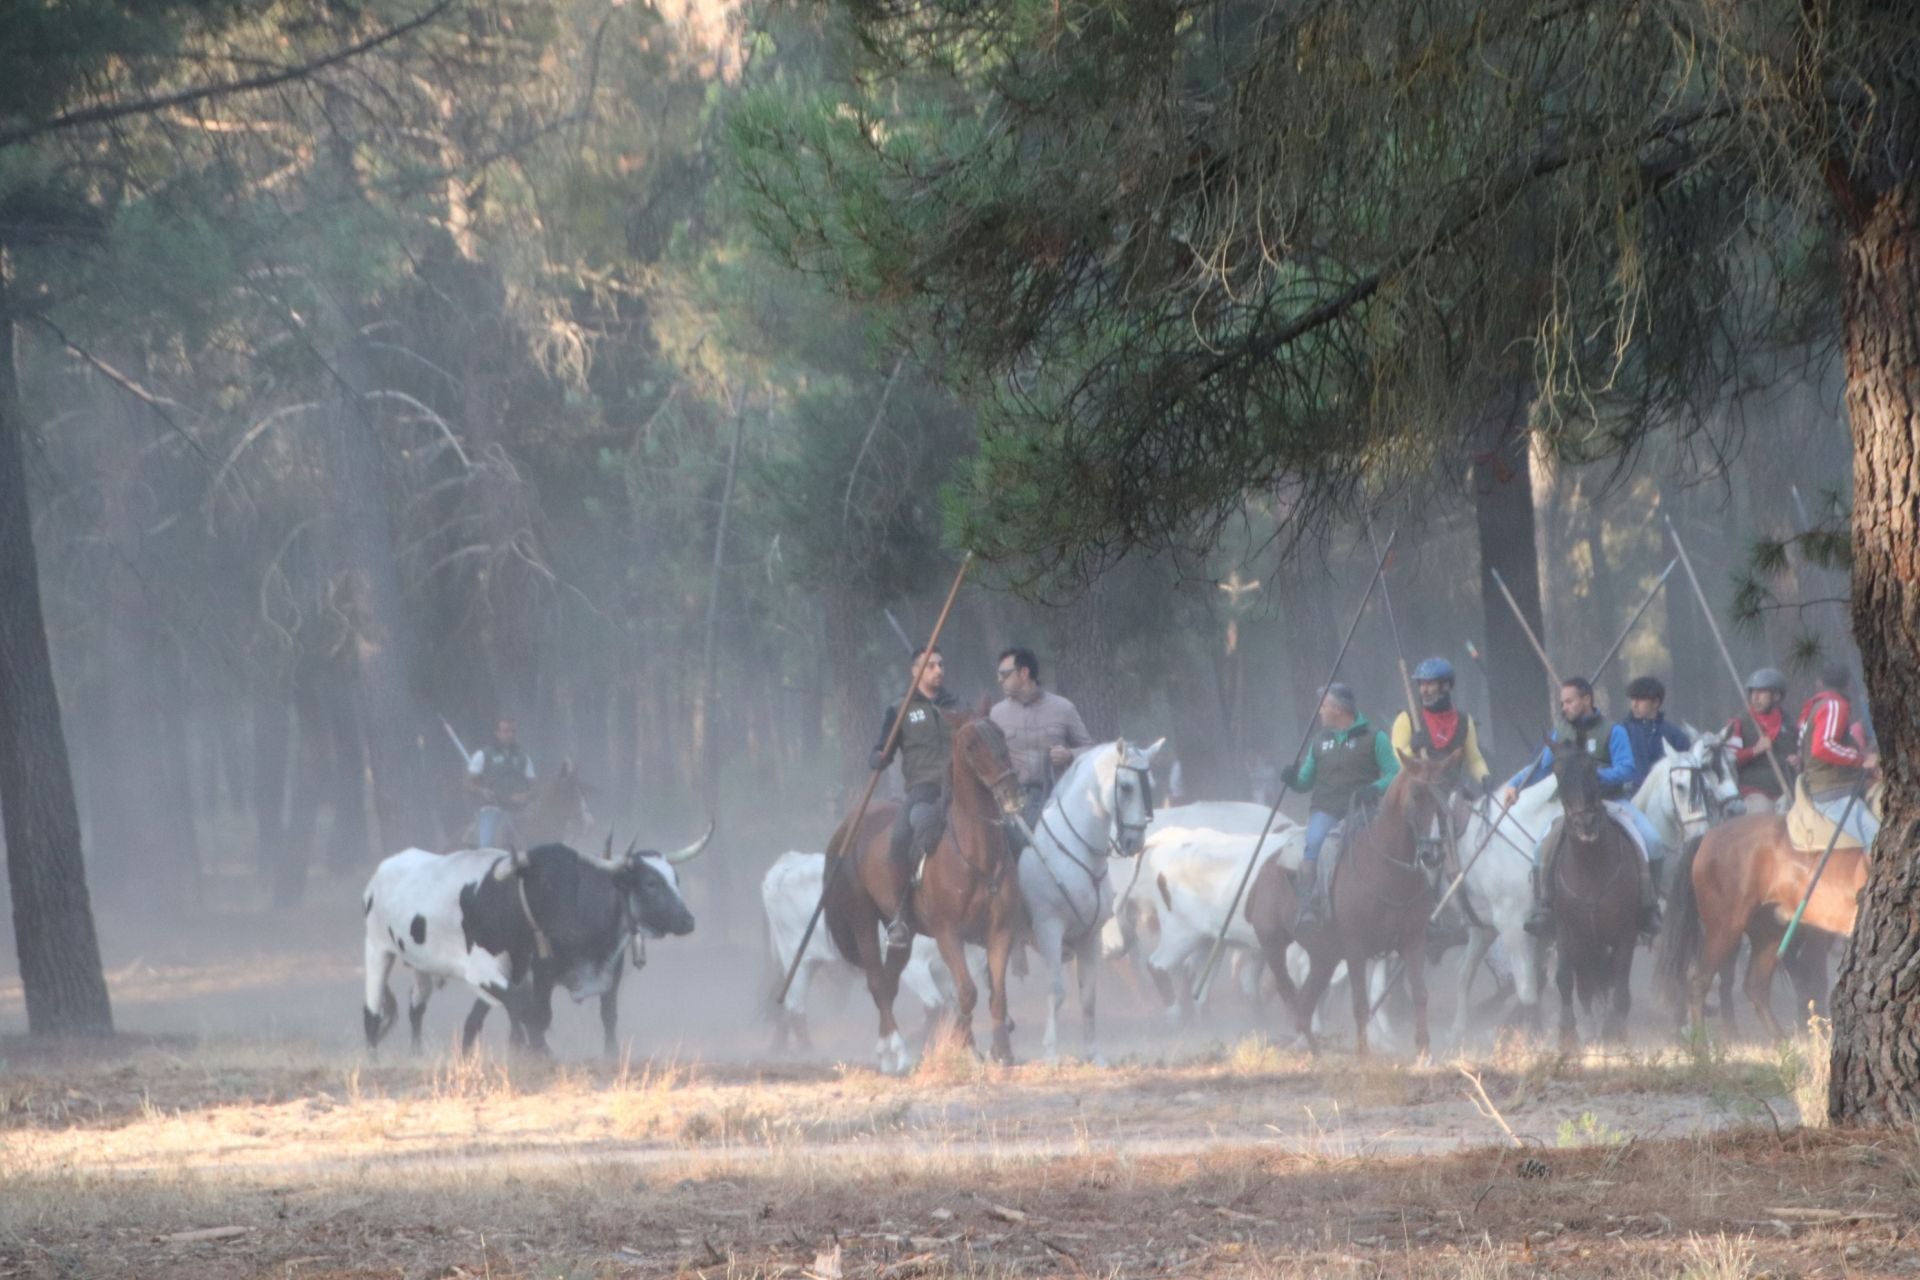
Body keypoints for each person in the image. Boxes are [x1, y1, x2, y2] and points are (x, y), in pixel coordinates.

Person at [1503, 677, 1663, 937]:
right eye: (1562, 702)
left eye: (1569, 701)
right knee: (1539, 849)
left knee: (1653, 841)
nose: (1564, 707)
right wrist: (1514, 784)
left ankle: (1648, 908)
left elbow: (1627, 768)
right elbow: (1540, 767)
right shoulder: (1560, 732)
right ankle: (1544, 908)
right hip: (1573, 809)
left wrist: (1594, 776)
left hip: (1610, 801)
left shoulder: (1613, 731)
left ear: (1586, 699)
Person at [1284, 683, 1398, 926]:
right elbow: (1305, 782)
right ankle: (1308, 904)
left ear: (1338, 709)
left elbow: (1394, 774)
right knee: (1313, 843)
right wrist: (1292, 779)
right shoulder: (1319, 741)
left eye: (1323, 706)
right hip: (1325, 809)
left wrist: (1374, 788)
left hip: (1362, 810)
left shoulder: (1374, 737)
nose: (1320, 711)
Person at [873, 645, 958, 950]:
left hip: (961, 788)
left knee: (1006, 829)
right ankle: (901, 915)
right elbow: (881, 749)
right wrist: (878, 758)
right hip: (924, 788)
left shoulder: (956, 705)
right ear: (916, 672)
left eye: (941, 664)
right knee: (899, 840)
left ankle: (1017, 912)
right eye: (931, 665)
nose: (939, 670)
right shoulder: (900, 709)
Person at [989, 647, 1095, 840]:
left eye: (1004, 674)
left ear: (1024, 673)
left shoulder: (1063, 708)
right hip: (1012, 801)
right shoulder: (996, 714)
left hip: (1056, 799)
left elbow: (1090, 750)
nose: (999, 680)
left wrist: (1069, 754)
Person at [1796, 662, 1880, 846]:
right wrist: (1861, 760)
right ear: (1848, 684)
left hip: (1838, 784)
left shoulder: (1815, 706)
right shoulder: (1834, 704)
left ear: (1820, 683)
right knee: (1880, 840)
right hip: (1833, 791)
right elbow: (1823, 746)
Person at [1388, 657, 1493, 796]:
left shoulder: (1464, 722)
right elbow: (1394, 762)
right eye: (1421, 684)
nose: (1424, 690)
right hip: (1416, 798)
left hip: (1451, 795)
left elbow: (1474, 759)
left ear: (1446, 686)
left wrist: (1484, 776)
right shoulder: (1406, 719)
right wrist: (1412, 749)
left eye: (1430, 684)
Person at [1723, 668, 1796, 813]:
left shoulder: (1789, 724)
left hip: (1786, 790)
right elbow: (1728, 761)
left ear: (1776, 696)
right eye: (1752, 692)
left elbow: (1800, 749)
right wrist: (1755, 750)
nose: (1755, 698)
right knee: (1761, 813)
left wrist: (1798, 759)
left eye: (1761, 692)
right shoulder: (1738, 723)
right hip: (1754, 791)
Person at [466, 718, 535, 848]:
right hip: (492, 809)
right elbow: (468, 784)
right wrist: (482, 791)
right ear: (497, 733)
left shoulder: (524, 757)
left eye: (513, 731)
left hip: (519, 810)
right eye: (505, 731)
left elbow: (533, 786)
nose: (510, 734)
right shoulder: (483, 755)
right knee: (486, 847)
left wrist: (526, 795)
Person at [1619, 675, 1692, 791]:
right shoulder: (1620, 732)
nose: (1634, 704)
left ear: (1656, 702)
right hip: (1628, 799)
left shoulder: (1675, 735)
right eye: (1632, 699)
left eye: (1640, 699)